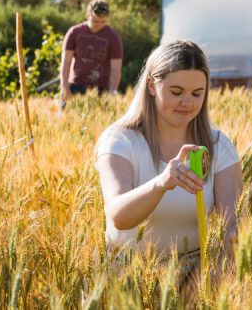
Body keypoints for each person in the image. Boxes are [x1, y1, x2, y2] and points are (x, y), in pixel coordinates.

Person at [94, 40, 243, 263]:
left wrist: (238, 238)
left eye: (197, 93)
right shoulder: (119, 141)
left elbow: (232, 224)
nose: (187, 102)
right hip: (128, 275)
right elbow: (118, 216)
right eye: (176, 91)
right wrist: (162, 183)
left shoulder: (218, 145)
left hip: (196, 273)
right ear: (152, 85)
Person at [60, 0, 123, 101]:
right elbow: (66, 61)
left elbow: (116, 68)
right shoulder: (74, 33)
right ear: (88, 15)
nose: (99, 24)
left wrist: (113, 90)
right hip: (75, 86)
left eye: (103, 22)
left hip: (101, 89)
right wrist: (64, 87)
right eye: (95, 21)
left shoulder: (113, 37)